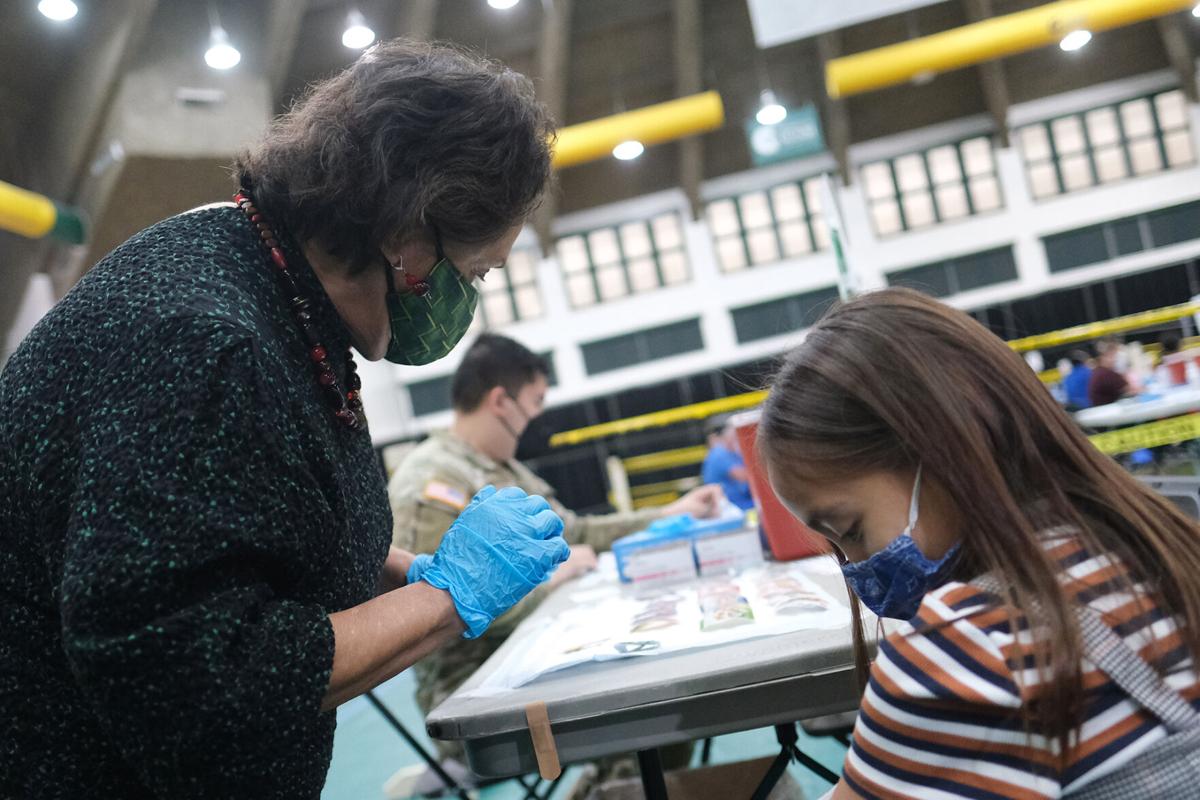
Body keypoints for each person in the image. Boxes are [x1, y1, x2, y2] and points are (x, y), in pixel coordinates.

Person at [0, 41, 571, 799]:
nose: (467, 298)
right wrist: (444, 601)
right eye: (472, 273)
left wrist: (400, 573)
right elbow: (195, 680)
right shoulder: (209, 345)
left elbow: (248, 534)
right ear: (408, 241)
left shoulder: (272, 295)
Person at [758, 288, 1200, 799]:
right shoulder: (1154, 550)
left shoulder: (969, 649)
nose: (860, 570)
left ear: (940, 450)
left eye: (852, 530)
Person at [390, 333, 723, 767]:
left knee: (669, 689)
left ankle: (613, 790)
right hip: (472, 689)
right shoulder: (432, 484)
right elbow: (436, 614)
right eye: (536, 400)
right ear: (500, 402)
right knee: (662, 707)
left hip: (533, 653)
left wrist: (671, 512)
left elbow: (575, 529)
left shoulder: (498, 466)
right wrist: (552, 581)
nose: (539, 415)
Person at [701, 414, 754, 510]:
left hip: (739, 504)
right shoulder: (719, 453)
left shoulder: (730, 453)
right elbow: (745, 476)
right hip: (734, 507)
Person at [1087, 336, 1133, 407]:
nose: (1115, 359)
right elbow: (1130, 389)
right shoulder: (1106, 374)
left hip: (1102, 409)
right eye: (1113, 355)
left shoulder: (1098, 372)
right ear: (1104, 357)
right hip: (1108, 412)